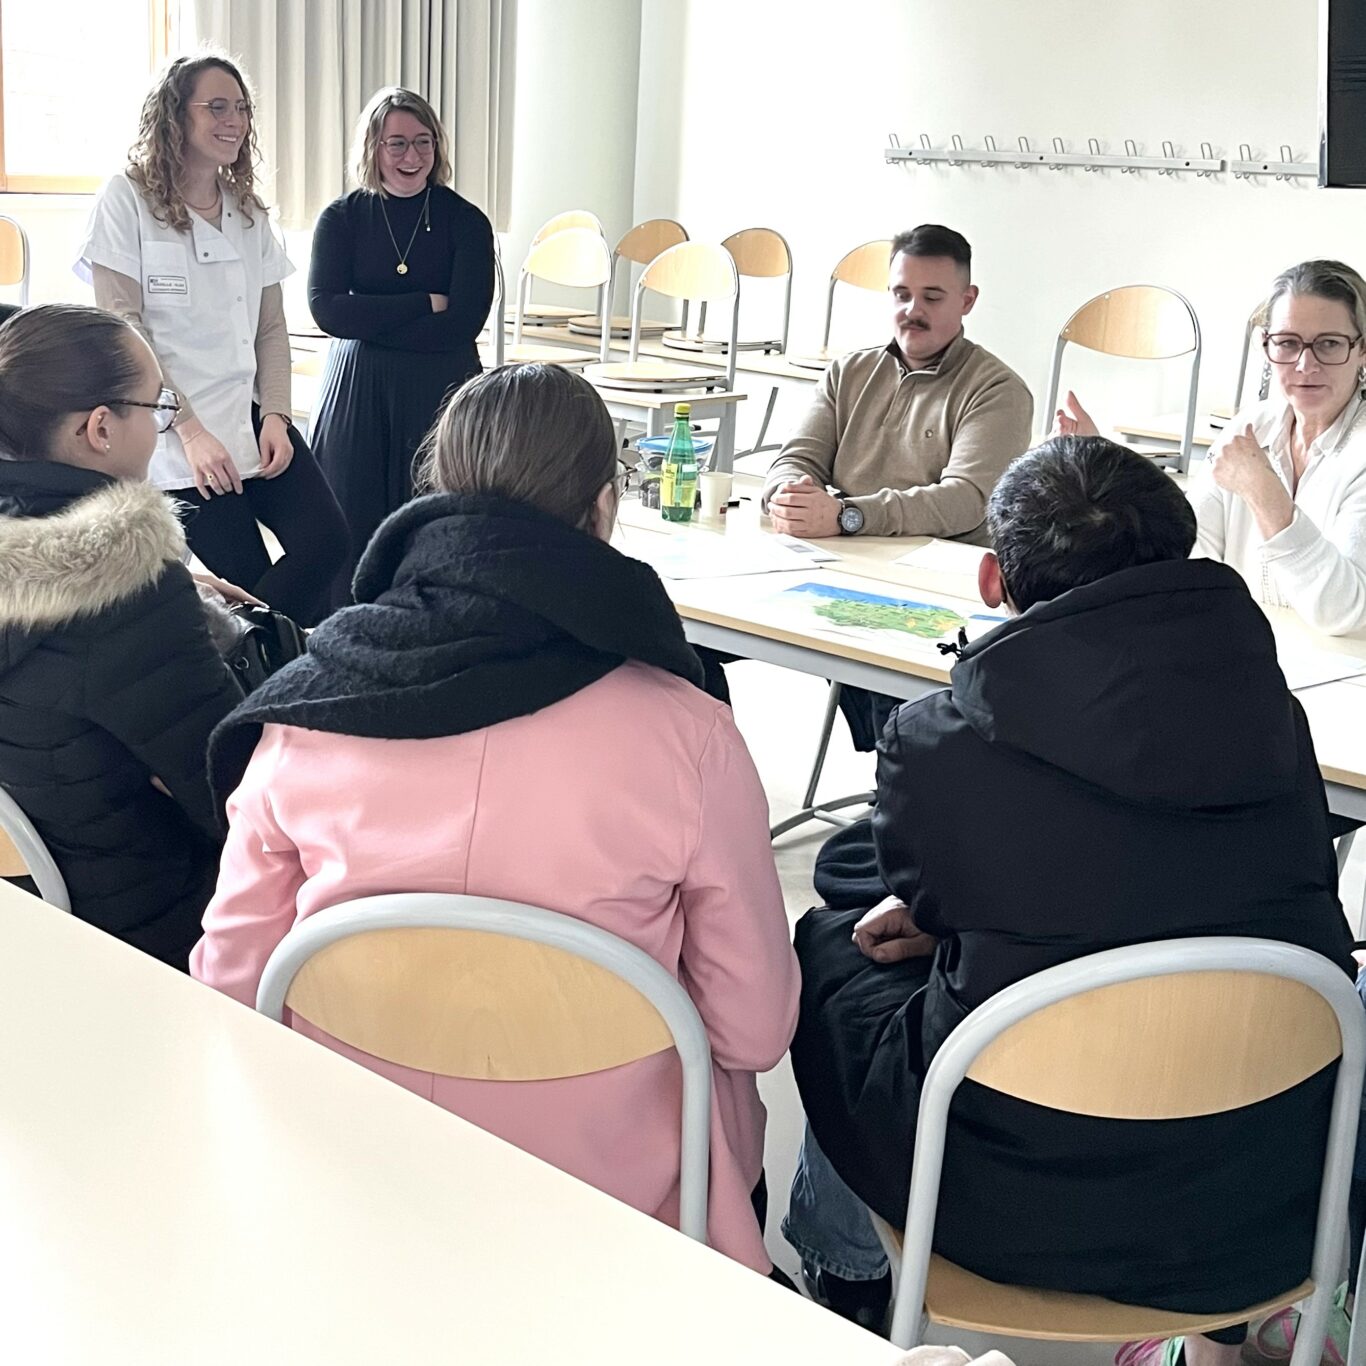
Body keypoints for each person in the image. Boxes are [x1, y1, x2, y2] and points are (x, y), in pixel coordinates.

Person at [191, 364, 800, 1274]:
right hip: (620, 1206)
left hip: (344, 1175)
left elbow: (229, 984)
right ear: (603, 509)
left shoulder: (307, 713)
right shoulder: (689, 734)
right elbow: (754, 1027)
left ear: (437, 495)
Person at [782, 436, 1356, 1366]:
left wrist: (950, 923)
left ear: (992, 579)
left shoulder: (940, 741)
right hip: (1260, 1194)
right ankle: (1215, 1339)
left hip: (1011, 1206)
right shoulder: (1276, 718)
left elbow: (932, 891)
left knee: (829, 947)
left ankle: (844, 1279)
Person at [0, 304, 243, 967]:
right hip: (152, 916)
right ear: (101, 428)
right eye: (157, 406)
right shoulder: (127, 587)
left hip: (30, 902)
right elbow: (236, 790)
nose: (162, 428)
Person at [76, 52, 348, 628]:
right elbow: (124, 332)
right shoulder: (126, 199)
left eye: (242, 108)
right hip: (173, 433)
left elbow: (270, 328)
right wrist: (191, 431)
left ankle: (253, 650)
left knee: (328, 543)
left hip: (250, 415)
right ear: (176, 115)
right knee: (248, 578)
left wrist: (277, 414)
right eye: (217, 107)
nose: (235, 121)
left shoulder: (247, 212)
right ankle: (260, 659)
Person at [759, 224, 1033, 748]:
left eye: (932, 296)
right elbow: (795, 459)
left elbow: (966, 501)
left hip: (932, 592)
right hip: (834, 568)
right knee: (680, 646)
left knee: (904, 715)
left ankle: (898, 792)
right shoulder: (849, 371)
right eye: (901, 294)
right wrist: (790, 495)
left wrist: (846, 516)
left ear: (967, 301)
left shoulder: (997, 389)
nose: (913, 310)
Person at [1055, 258, 1366, 637]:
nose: (1305, 365)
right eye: (1287, 343)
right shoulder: (1251, 428)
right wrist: (1108, 472)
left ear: (1362, 349)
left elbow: (1341, 612)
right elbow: (1185, 554)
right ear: (1266, 345)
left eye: (1329, 344)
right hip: (1253, 646)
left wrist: (1264, 492)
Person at [307, 86, 495, 611]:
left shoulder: (467, 222)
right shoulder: (341, 218)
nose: (411, 156)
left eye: (423, 141)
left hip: (440, 387)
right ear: (373, 147)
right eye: (397, 143)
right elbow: (327, 311)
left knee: (435, 520)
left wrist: (368, 318)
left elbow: (462, 324)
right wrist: (422, 302)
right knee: (350, 520)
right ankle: (345, 631)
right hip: (357, 390)